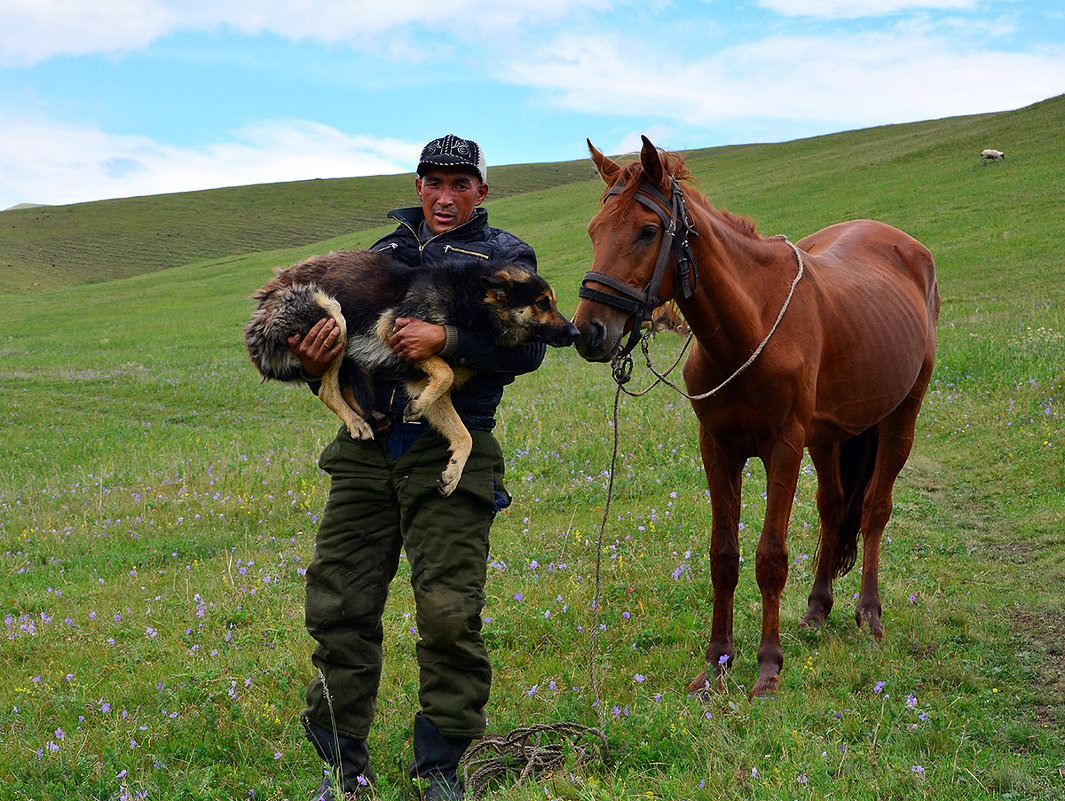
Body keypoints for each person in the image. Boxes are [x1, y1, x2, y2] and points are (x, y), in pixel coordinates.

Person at [287, 135, 544, 800]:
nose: (445, 195)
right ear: (420, 185)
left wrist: (448, 339)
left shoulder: (505, 256)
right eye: (434, 182)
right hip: (366, 451)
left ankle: (438, 767)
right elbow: (339, 352)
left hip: (450, 449)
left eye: (460, 183)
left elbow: (527, 351)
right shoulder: (383, 255)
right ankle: (344, 768)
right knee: (339, 607)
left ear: (481, 191)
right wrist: (313, 362)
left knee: (449, 614)